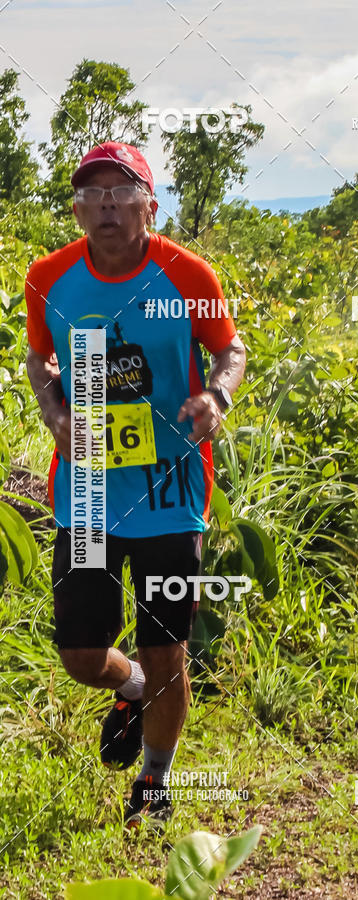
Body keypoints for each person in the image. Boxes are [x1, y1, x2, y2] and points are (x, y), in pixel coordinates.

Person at [25, 142, 246, 830]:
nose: (107, 206)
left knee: (166, 645)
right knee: (82, 655)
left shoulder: (186, 274)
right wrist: (55, 411)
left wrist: (216, 397)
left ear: (150, 203)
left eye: (122, 193)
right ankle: (131, 687)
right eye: (93, 195)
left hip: (170, 493)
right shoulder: (51, 276)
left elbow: (230, 349)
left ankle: (155, 777)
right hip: (87, 494)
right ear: (77, 209)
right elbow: (39, 357)